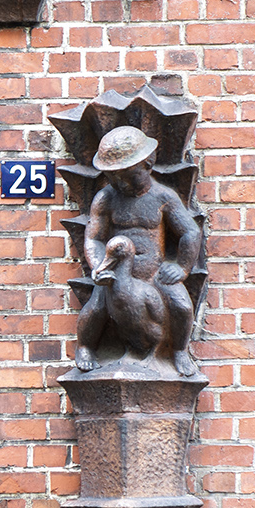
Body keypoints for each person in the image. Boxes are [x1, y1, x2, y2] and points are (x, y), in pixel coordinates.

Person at [75, 125, 201, 376]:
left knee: (181, 306)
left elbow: (190, 232)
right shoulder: (106, 198)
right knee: (96, 306)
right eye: (113, 176)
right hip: (117, 268)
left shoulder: (163, 197)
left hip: (154, 271)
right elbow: (94, 238)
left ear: (148, 164)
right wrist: (99, 266)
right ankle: (86, 346)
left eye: (126, 174)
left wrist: (182, 267)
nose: (119, 182)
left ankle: (179, 351)